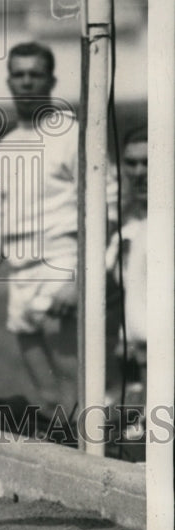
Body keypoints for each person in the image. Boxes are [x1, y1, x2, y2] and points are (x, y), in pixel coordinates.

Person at [0, 42, 81, 426]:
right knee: (49, 397)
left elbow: (100, 212)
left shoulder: (73, 135)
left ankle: (92, 472)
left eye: (34, 74)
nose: (26, 82)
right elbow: (3, 214)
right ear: (9, 80)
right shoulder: (5, 146)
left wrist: (77, 279)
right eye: (18, 75)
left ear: (50, 80)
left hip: (60, 264)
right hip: (20, 273)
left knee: (76, 392)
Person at [106, 124, 148, 406]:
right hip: (130, 361)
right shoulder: (126, 227)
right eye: (131, 163)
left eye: (148, 162)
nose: (138, 172)